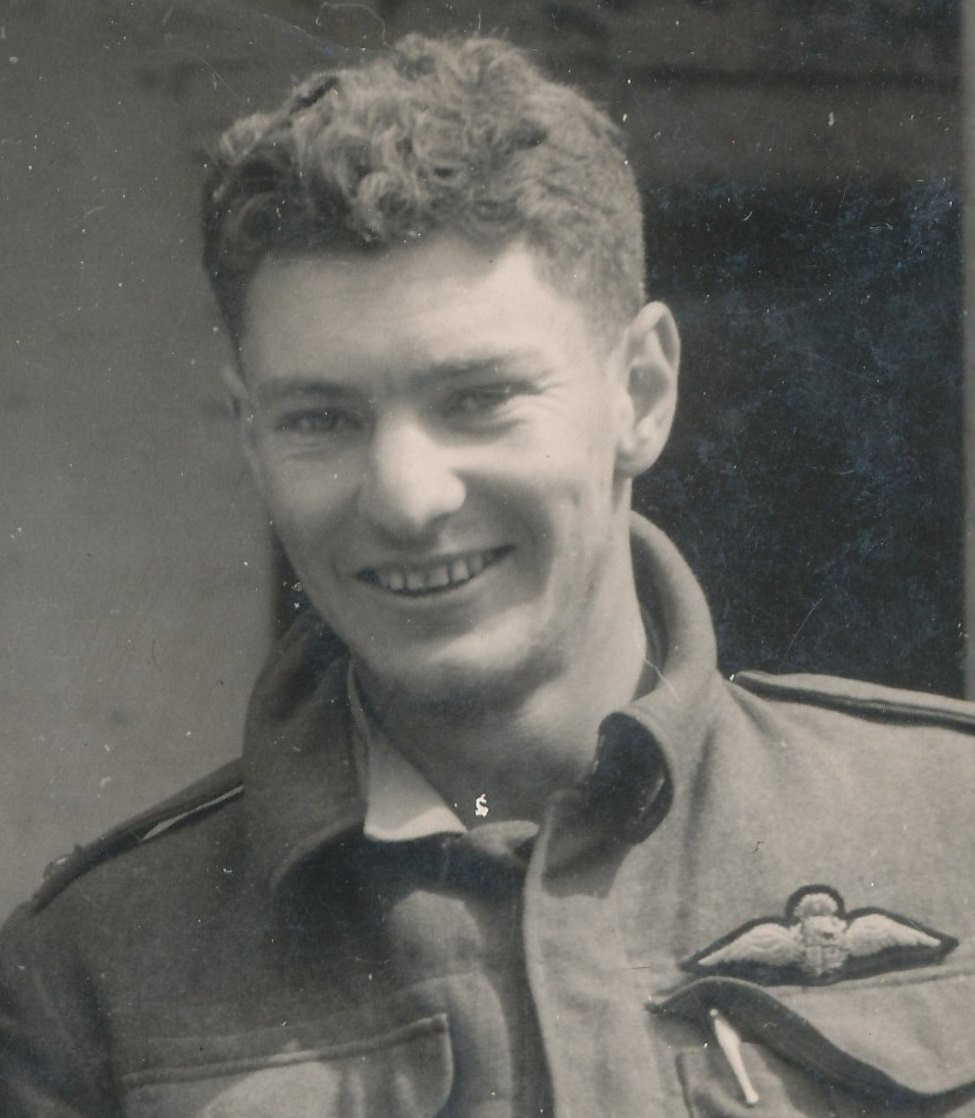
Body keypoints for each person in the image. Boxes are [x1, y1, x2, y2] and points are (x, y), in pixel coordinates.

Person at [1, 32, 973, 1118]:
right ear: (250, 437)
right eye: (321, 418)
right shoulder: (91, 985)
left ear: (641, 392)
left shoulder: (950, 823)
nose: (406, 498)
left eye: (479, 399)